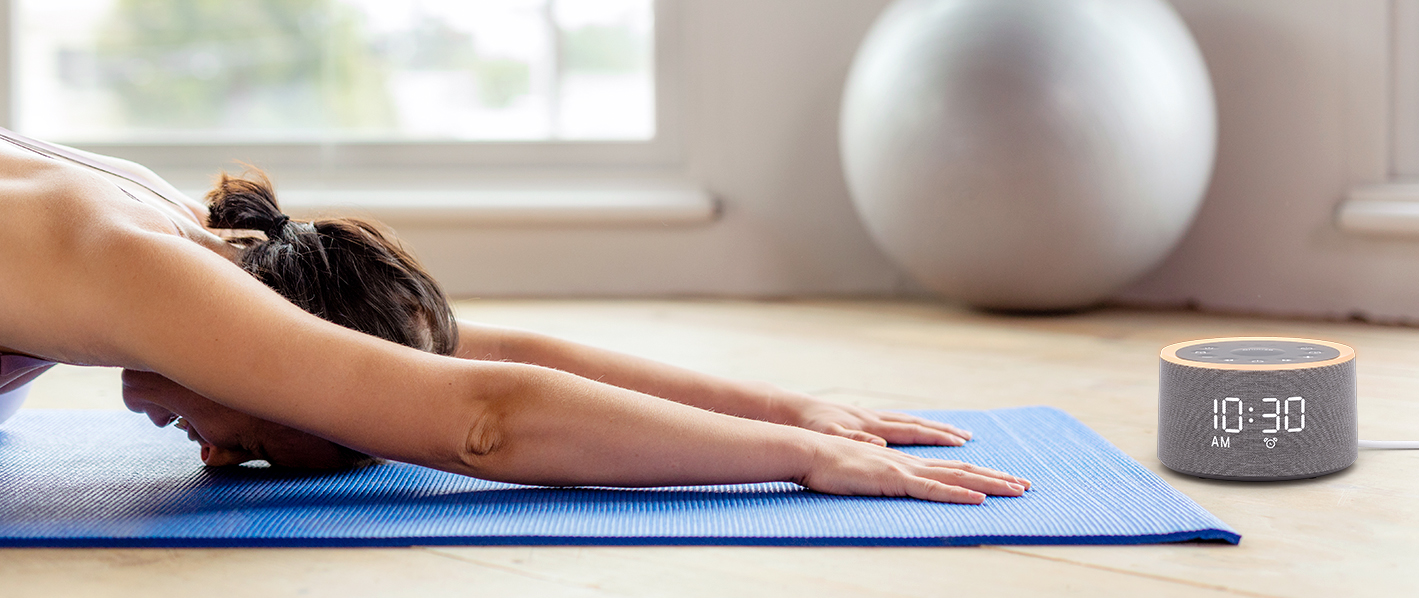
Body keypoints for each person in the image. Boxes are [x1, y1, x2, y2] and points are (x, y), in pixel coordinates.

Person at [0, 127, 1030, 504]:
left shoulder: (185, 238)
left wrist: (792, 409)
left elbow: (464, 358)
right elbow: (481, 415)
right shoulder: (147, 262)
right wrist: (796, 458)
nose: (219, 460)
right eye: (262, 447)